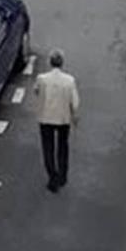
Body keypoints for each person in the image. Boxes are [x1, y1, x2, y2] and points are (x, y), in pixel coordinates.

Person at [34, 50, 80, 193]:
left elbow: (36, 91)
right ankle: (62, 176)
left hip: (46, 117)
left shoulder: (42, 78)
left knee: (48, 147)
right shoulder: (69, 80)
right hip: (63, 118)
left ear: (50, 62)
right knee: (62, 147)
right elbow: (75, 102)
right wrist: (74, 116)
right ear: (62, 63)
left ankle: (52, 176)